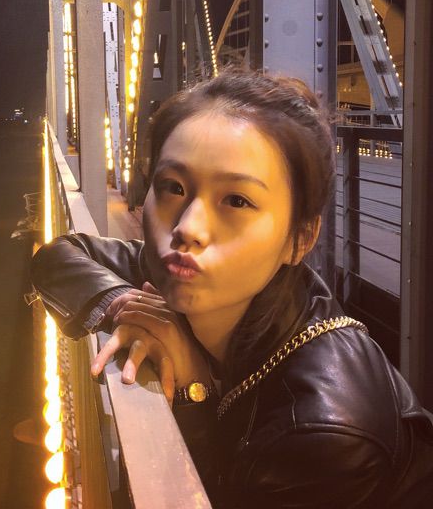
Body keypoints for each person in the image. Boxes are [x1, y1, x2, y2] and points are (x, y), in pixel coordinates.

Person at [31, 67, 433, 508]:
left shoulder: (324, 431)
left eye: (237, 200)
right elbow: (59, 256)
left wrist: (194, 394)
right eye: (173, 187)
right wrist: (123, 304)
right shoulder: (183, 273)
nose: (188, 227)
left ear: (299, 239)